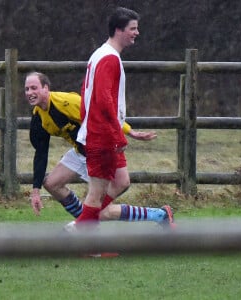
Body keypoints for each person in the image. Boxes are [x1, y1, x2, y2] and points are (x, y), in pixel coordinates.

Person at [25, 71, 172, 226]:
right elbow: (41, 153)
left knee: (101, 212)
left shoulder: (66, 102)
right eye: (27, 89)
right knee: (52, 184)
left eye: (34, 88)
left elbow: (102, 113)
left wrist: (129, 131)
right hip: (80, 152)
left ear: (46, 88)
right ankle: (86, 222)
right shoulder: (38, 118)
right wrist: (35, 191)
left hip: (101, 152)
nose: (30, 93)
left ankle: (159, 215)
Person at [76, 7, 175, 228]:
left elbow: (86, 95)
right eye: (133, 28)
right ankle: (76, 237)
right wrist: (116, 135)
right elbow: (103, 100)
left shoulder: (100, 54)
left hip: (101, 132)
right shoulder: (109, 59)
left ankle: (86, 224)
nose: (136, 33)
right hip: (102, 136)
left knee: (121, 182)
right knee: (95, 197)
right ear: (119, 30)